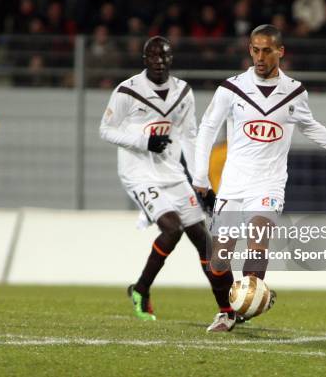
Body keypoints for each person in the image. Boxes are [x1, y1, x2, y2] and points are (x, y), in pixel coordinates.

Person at [193, 25, 326, 330]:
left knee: (257, 244)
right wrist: (200, 175)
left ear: (280, 51)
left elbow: (312, 128)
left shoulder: (295, 92)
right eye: (255, 49)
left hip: (268, 184)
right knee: (218, 262)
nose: (259, 56)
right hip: (233, 184)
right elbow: (206, 128)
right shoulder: (231, 89)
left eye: (266, 50)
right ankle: (227, 310)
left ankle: (247, 302)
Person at [99, 36, 235, 332]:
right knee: (171, 228)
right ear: (144, 60)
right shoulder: (127, 91)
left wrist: (201, 181)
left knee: (203, 239)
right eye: (153, 57)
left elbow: (189, 137)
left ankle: (227, 310)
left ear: (171, 60)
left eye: (164, 57)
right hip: (138, 172)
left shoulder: (183, 91)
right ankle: (141, 290)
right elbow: (106, 130)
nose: (158, 62)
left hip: (172, 172)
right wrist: (143, 141)